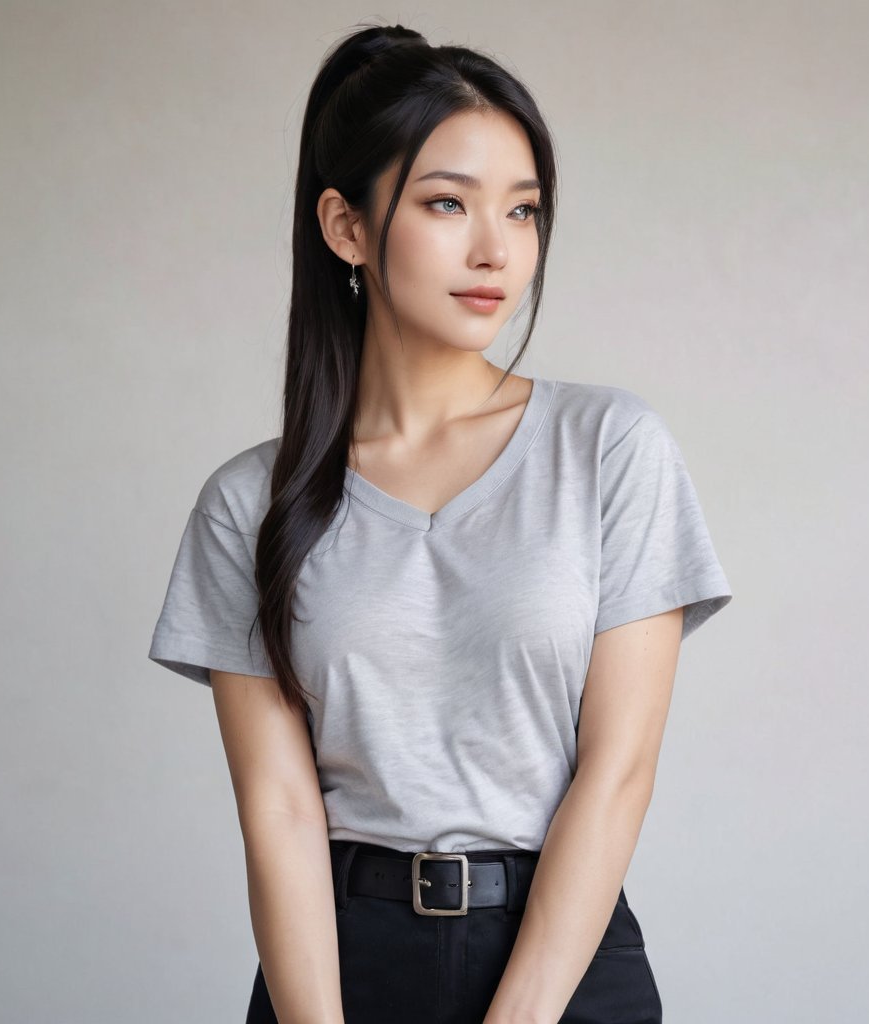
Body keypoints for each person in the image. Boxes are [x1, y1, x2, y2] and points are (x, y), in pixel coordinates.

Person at [148, 21, 732, 1024]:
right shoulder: (250, 503)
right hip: (339, 966)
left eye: (524, 209)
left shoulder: (608, 447)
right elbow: (280, 812)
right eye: (446, 202)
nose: (494, 248)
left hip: (561, 961)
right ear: (346, 227)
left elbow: (617, 769)